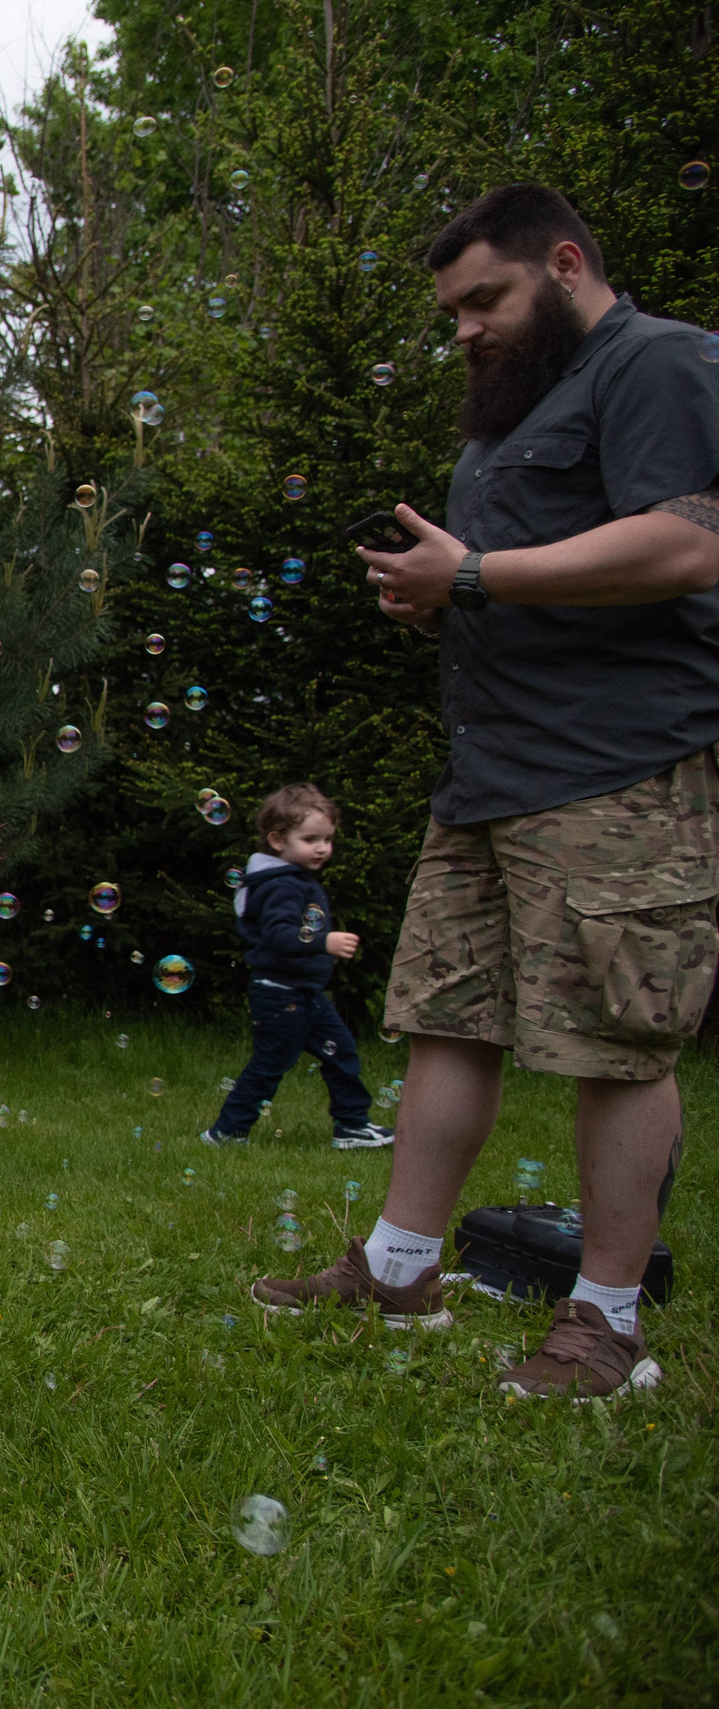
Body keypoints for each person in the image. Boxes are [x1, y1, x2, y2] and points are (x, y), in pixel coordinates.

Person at [260, 183, 719, 1399]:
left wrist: (473, 575)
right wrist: (441, 592)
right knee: (446, 1015)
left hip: (614, 768)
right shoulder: (508, 418)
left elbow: (687, 543)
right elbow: (506, 583)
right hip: (486, 775)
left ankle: (604, 1322)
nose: (462, 329)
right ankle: (400, 1267)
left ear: (564, 263)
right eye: (451, 309)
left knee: (615, 1042)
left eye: (485, 299)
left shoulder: (659, 364)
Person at [199, 783, 395, 1151]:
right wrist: (325, 942)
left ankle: (352, 1125)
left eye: (328, 839)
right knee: (270, 1065)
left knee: (342, 1052)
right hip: (281, 995)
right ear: (276, 840)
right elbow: (279, 936)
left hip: (302, 993)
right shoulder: (281, 886)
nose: (322, 848)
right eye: (310, 839)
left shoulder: (290, 879)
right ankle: (226, 1132)